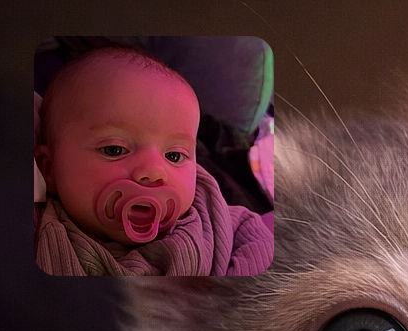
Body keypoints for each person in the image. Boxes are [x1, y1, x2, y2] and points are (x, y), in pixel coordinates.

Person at [34, 45, 273, 276]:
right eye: (115, 150)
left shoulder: (209, 215)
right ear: (49, 168)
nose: (154, 171)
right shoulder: (41, 229)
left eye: (174, 156)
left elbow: (256, 238)